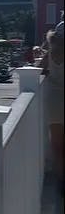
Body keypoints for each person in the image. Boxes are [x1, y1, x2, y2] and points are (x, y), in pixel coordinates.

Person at [40, 28, 64, 182]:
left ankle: (61, 180)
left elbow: (39, 70)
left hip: (54, 100)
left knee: (57, 144)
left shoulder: (50, 53)